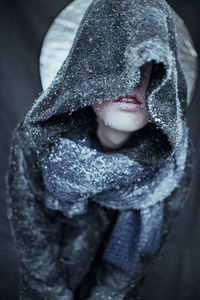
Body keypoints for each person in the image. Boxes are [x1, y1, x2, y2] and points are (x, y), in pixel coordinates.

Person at [6, 0, 198, 299]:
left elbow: (127, 274)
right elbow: (37, 261)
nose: (134, 79)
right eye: (116, 60)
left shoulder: (174, 159)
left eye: (150, 63)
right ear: (86, 73)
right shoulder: (38, 141)